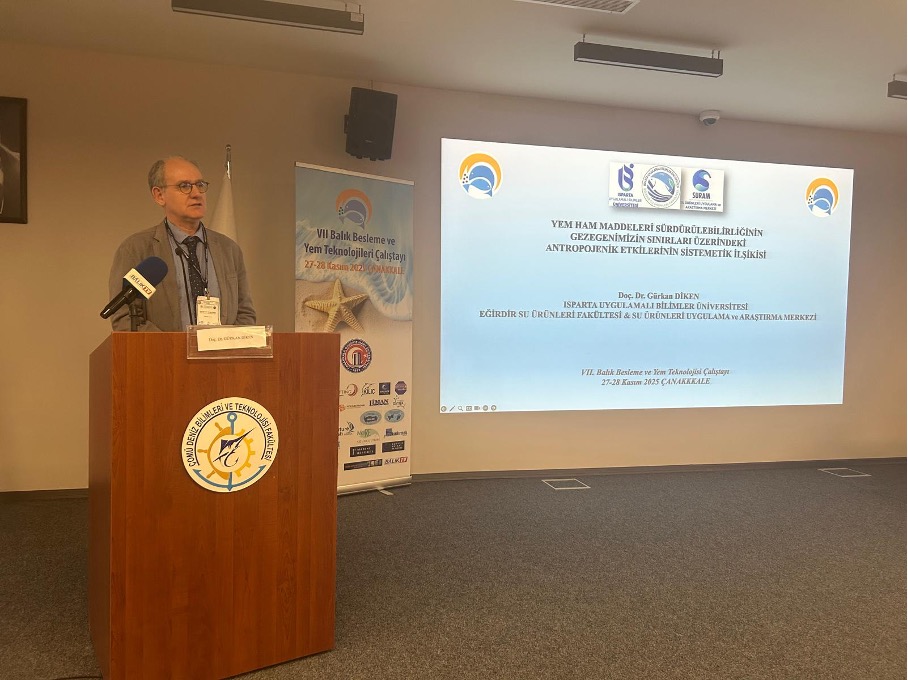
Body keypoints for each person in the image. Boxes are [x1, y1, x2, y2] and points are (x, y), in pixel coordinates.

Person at [108, 156, 256, 331]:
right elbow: (125, 317)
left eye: (200, 185)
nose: (196, 193)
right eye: (184, 186)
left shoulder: (229, 249)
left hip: (221, 349)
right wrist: (173, 346)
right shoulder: (136, 249)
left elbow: (245, 313)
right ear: (159, 195)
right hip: (162, 349)